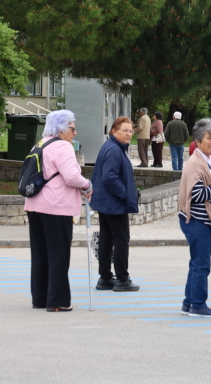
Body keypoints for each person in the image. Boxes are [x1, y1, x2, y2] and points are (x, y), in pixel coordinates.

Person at [25, 110, 91, 311]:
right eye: (72, 128)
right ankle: (58, 301)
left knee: (41, 254)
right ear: (61, 130)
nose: (75, 132)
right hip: (56, 207)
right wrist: (87, 184)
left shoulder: (41, 143)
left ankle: (40, 297)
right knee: (58, 254)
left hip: (35, 205)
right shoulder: (63, 146)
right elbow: (72, 177)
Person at [178, 118, 211, 317]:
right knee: (202, 264)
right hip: (197, 221)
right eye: (209, 138)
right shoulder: (195, 163)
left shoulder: (207, 161)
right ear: (198, 142)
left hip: (201, 221)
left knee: (196, 263)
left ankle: (188, 303)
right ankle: (198, 305)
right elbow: (196, 195)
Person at [91, 117, 140, 292]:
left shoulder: (113, 147)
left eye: (130, 131)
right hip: (113, 203)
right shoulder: (114, 150)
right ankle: (122, 279)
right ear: (114, 131)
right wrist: (125, 195)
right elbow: (109, 177)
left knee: (107, 238)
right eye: (124, 131)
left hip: (106, 201)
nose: (128, 134)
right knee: (120, 239)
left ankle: (105, 278)